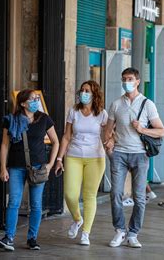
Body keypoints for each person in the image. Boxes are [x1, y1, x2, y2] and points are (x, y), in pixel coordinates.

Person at [103, 68, 164, 248]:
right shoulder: (116, 104)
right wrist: (108, 145)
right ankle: (119, 230)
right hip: (120, 154)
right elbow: (107, 130)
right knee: (115, 193)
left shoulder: (147, 104)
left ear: (138, 81)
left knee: (139, 196)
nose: (126, 82)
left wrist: (143, 129)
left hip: (140, 155)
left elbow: (162, 130)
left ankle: (133, 233)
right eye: (124, 79)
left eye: (130, 79)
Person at [0, 89, 60, 251]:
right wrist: (3, 168)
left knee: (36, 205)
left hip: (38, 167)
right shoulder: (11, 120)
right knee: (14, 202)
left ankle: (32, 239)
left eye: (37, 98)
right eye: (32, 99)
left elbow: (56, 142)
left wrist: (51, 164)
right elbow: (4, 145)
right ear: (23, 103)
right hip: (16, 166)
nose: (36, 101)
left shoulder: (44, 118)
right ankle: (9, 237)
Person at [54, 80, 107, 246]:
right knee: (70, 194)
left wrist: (112, 142)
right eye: (82, 90)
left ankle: (86, 233)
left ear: (94, 94)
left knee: (90, 195)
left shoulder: (102, 114)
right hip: (73, 156)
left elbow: (106, 137)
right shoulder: (74, 111)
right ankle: (77, 219)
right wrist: (59, 159)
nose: (83, 93)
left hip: (96, 158)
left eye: (87, 91)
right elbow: (66, 136)